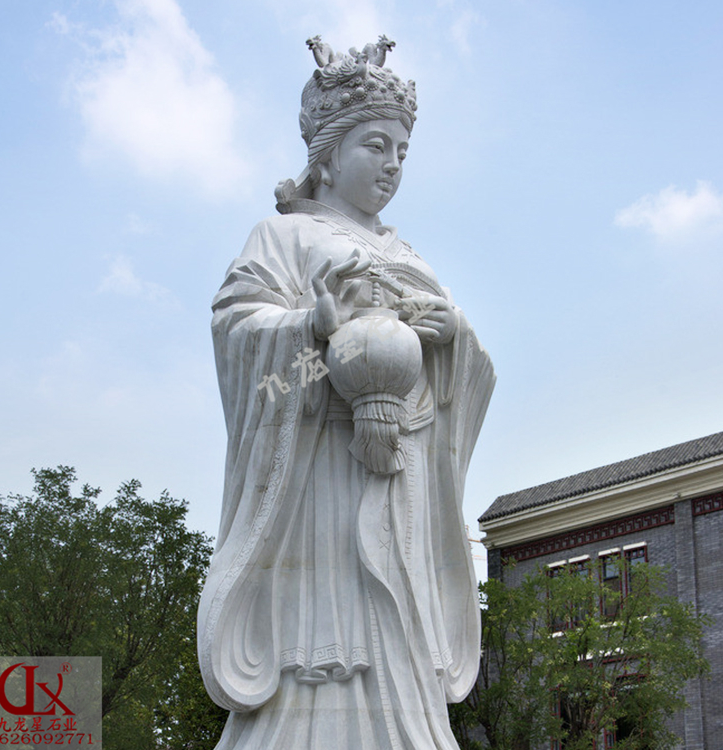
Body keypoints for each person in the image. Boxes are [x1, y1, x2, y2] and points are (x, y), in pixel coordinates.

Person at [198, 36, 495, 749]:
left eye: (402, 151)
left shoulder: (410, 256)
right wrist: (310, 330)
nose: (393, 165)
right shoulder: (284, 237)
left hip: (401, 477)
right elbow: (238, 330)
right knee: (328, 628)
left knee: (400, 616)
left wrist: (451, 337)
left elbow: (468, 375)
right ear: (327, 154)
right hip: (319, 472)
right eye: (376, 145)